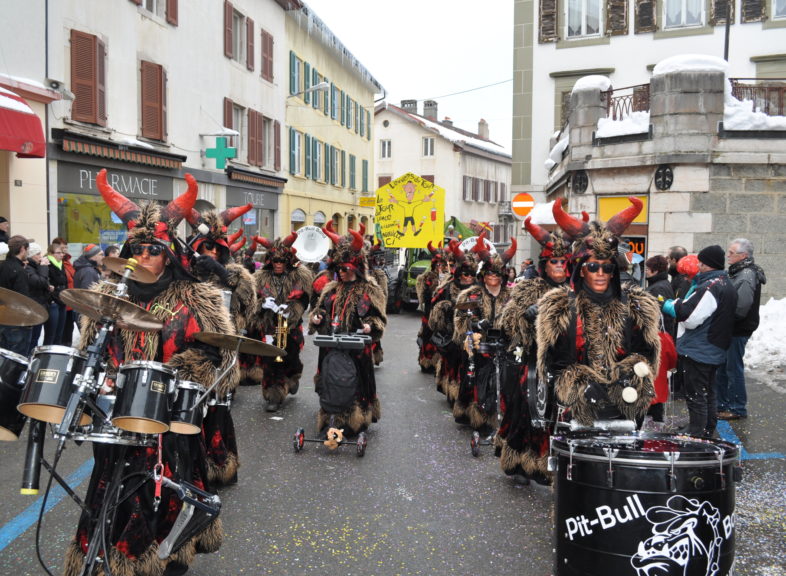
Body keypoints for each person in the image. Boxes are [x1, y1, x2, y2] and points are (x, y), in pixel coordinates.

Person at [64, 168, 238, 576]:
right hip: (117, 418)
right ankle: (111, 556)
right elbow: (92, 349)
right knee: (114, 491)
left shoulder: (196, 297)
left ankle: (169, 554)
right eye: (136, 250)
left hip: (169, 422)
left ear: (170, 253)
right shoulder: (108, 296)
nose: (142, 258)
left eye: (152, 250)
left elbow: (223, 361)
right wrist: (103, 375)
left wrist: (178, 374)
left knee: (164, 491)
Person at [537, 198, 661, 429]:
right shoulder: (560, 307)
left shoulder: (636, 305)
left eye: (608, 267)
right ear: (581, 270)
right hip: (577, 407)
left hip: (624, 404)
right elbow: (553, 363)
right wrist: (578, 382)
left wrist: (630, 374)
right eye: (593, 267)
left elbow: (646, 353)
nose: (601, 273)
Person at [186, 200, 257, 484]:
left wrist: (221, 273)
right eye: (206, 247)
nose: (211, 252)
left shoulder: (237, 274)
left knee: (216, 411)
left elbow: (249, 307)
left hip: (220, 351)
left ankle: (219, 465)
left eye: (217, 248)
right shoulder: (186, 272)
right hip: (189, 349)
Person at [497, 217, 571, 484]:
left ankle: (545, 465)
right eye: (554, 262)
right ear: (544, 264)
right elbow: (506, 324)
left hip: (563, 364)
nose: (560, 267)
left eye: (563, 262)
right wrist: (526, 317)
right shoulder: (529, 288)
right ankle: (518, 461)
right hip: (530, 361)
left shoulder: (574, 291)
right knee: (526, 412)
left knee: (556, 417)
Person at [309, 227, 385, 433]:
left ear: (356, 268)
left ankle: (356, 419)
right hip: (331, 345)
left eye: (345, 269)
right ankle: (331, 417)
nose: (341, 273)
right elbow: (320, 311)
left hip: (357, 347)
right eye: (339, 269)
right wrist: (317, 319)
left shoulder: (370, 290)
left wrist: (370, 325)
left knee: (356, 382)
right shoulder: (331, 289)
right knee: (331, 380)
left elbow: (379, 318)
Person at [662, 245, 737, 438]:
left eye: (701, 262)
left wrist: (674, 306)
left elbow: (690, 317)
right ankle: (707, 427)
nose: (699, 266)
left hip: (700, 348)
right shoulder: (726, 283)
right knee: (708, 392)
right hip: (713, 347)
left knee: (696, 394)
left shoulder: (710, 286)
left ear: (707, 264)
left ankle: (697, 431)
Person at [452, 232, 517, 431]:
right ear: (483, 275)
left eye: (497, 274)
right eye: (489, 274)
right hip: (479, 346)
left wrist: (510, 329)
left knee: (506, 380)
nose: (493, 277)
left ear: (503, 275)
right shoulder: (471, 294)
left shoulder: (513, 296)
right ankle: (475, 413)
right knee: (477, 378)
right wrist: (475, 325)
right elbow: (460, 320)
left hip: (504, 346)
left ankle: (502, 415)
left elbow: (519, 320)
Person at [249, 231, 313, 412]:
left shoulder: (300, 276)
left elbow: (305, 299)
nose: (278, 264)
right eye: (275, 261)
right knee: (270, 363)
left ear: (288, 261)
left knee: (291, 358)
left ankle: (293, 377)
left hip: (290, 326)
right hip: (269, 327)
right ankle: (273, 395)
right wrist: (263, 304)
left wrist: (292, 310)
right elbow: (252, 302)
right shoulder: (259, 278)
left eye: (282, 261)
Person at [715, 238, 766, 421]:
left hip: (737, 329)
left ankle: (737, 408)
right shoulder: (738, 272)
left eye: (731, 253)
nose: (728, 255)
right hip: (732, 328)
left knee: (732, 368)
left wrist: (724, 320)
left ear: (743, 256)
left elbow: (741, 307)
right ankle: (722, 405)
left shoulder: (745, 275)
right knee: (723, 367)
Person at [428, 241, 476, 401]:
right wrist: (445, 308)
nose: (469, 277)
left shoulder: (480, 289)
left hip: (473, 336)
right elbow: (433, 314)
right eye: (465, 274)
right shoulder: (447, 288)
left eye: (472, 274)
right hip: (451, 336)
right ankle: (452, 391)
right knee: (453, 365)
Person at [416, 241, 448, 373]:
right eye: (438, 264)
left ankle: (438, 363)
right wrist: (436, 284)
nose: (440, 267)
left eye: (442, 264)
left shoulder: (448, 277)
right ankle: (426, 361)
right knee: (427, 336)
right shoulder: (428, 277)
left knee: (441, 337)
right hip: (429, 312)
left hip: (442, 314)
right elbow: (424, 295)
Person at [0, 235, 32, 355]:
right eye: (27, 250)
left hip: (2, 318)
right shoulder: (19, 271)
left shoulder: (2, 265)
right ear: (23, 248)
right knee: (16, 359)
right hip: (16, 322)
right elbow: (22, 299)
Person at [24, 242, 51, 354]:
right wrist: (44, 267)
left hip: (39, 306)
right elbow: (40, 282)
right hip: (33, 307)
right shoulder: (29, 268)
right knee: (32, 339)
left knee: (36, 337)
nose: (41, 257)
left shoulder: (35, 266)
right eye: (38, 254)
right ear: (31, 255)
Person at [52, 237, 78, 346]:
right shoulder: (55, 262)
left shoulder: (67, 261)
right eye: (62, 248)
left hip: (70, 300)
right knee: (61, 331)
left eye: (66, 247)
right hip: (62, 299)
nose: (65, 250)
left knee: (69, 328)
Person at [368, 240, 389, 366]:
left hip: (372, 306)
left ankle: (375, 355)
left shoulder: (378, 274)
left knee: (373, 332)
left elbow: (383, 294)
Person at [644, 254, 675, 335]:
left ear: (655, 271)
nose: (645, 271)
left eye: (647, 269)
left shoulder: (657, 289)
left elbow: (660, 314)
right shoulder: (664, 283)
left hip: (658, 333)